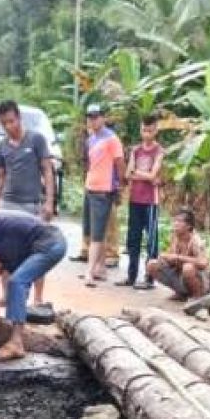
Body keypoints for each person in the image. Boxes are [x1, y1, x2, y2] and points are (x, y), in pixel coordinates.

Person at [0, 209, 66, 361]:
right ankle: (13, 325)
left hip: (51, 244)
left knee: (17, 282)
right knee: (13, 284)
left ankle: (16, 343)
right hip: (37, 244)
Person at [0, 99, 56, 305]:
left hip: (32, 204)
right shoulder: (1, 146)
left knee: (37, 251)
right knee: (5, 251)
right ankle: (7, 294)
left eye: (11, 121)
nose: (9, 127)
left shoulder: (36, 140)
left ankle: (37, 298)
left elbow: (47, 169)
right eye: (4, 123)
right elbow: (0, 176)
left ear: (19, 117)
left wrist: (49, 202)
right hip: (8, 203)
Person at [118, 114, 164, 289]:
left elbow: (153, 175)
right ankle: (131, 276)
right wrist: (145, 175)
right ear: (140, 129)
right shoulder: (135, 150)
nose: (147, 134)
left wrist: (139, 172)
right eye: (144, 130)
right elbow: (128, 174)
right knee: (133, 238)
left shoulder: (159, 151)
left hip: (151, 201)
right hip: (135, 199)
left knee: (151, 240)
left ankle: (149, 278)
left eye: (150, 130)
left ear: (156, 130)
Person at [81, 104, 125, 288]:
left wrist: (120, 185)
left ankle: (89, 272)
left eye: (96, 116)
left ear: (103, 118)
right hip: (90, 187)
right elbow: (89, 163)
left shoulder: (112, 140)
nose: (93, 120)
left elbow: (120, 163)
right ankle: (100, 268)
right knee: (93, 230)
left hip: (104, 190)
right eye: (90, 117)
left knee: (97, 234)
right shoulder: (91, 139)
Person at [147, 209, 210, 300]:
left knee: (188, 268)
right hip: (181, 275)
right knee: (152, 265)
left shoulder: (195, 240)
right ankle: (181, 293)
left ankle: (197, 297)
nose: (175, 224)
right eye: (175, 220)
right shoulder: (175, 236)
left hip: (201, 280)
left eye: (179, 221)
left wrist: (178, 257)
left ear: (189, 226)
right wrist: (166, 258)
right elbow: (171, 256)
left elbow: (203, 263)